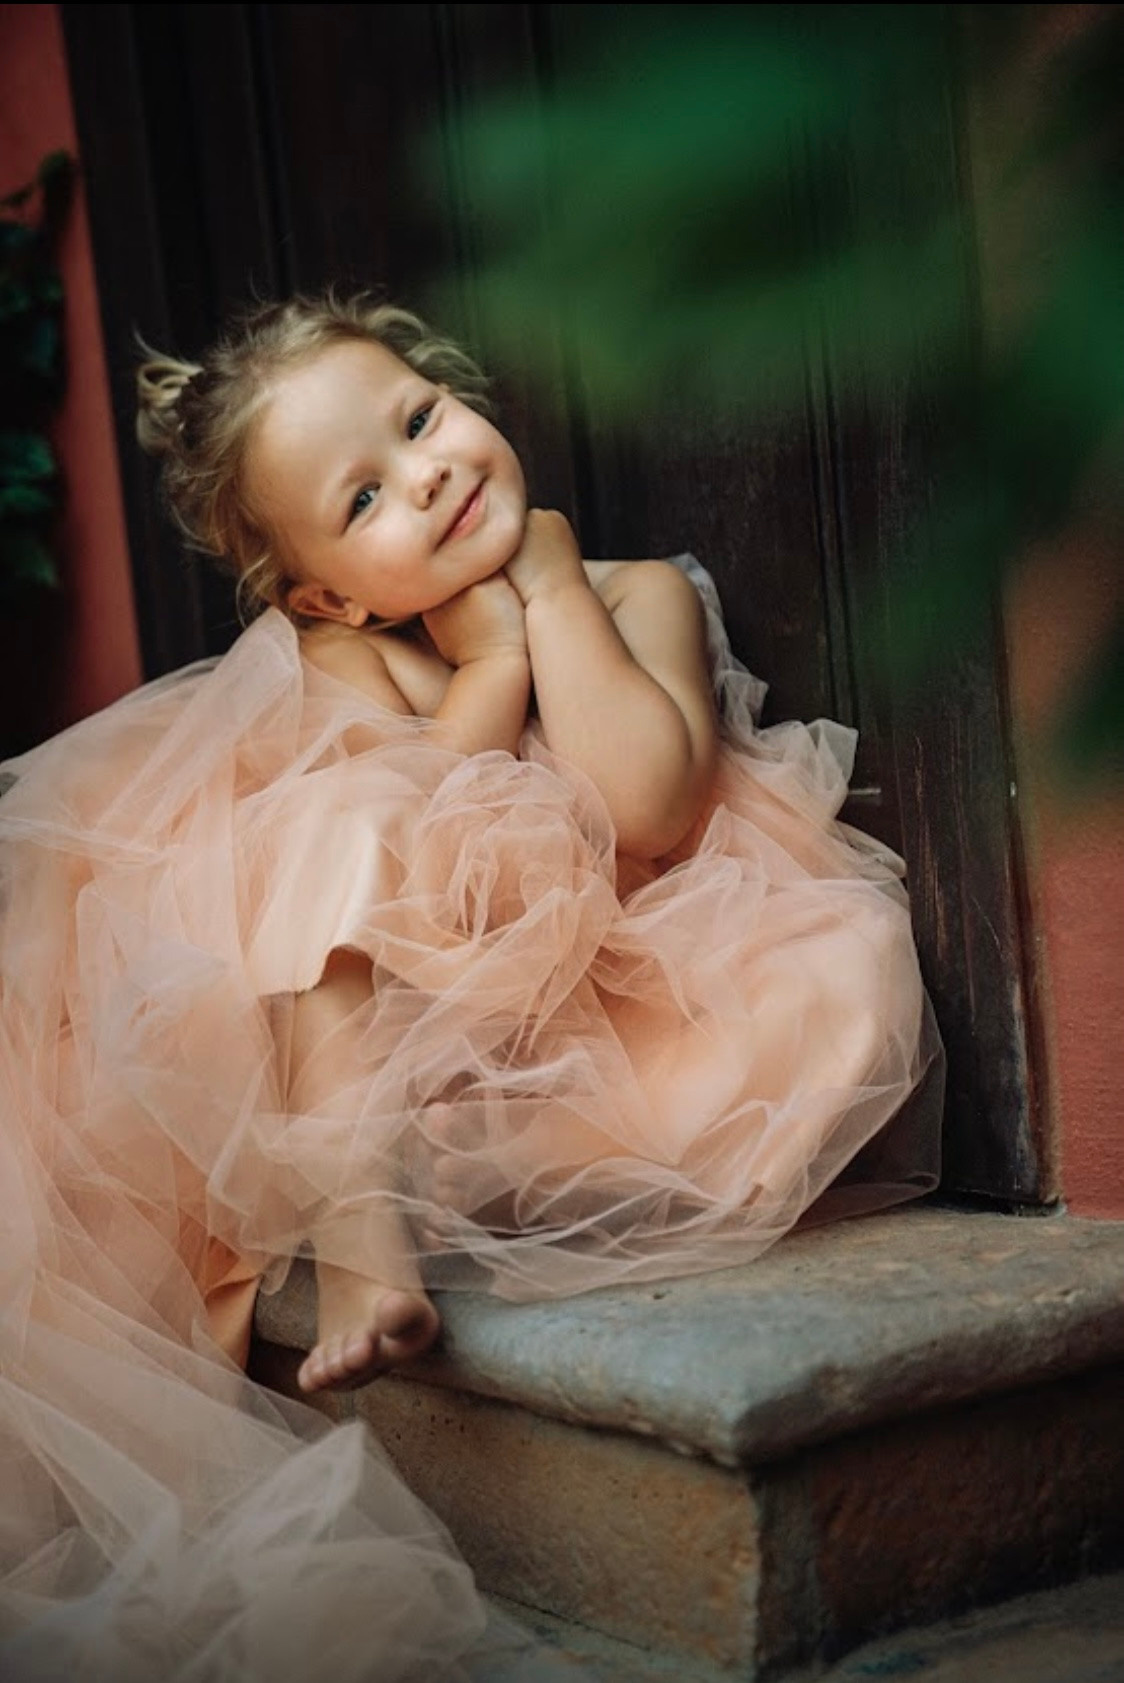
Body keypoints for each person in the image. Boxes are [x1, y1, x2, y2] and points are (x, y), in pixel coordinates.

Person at [0, 291, 941, 1679]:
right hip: (423, 1052)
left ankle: (387, 1202)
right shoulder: (348, 655)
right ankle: (359, 1238)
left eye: (421, 419)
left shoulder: (634, 594)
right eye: (365, 496)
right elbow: (411, 856)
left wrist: (550, 601)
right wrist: (490, 667)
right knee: (331, 827)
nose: (428, 474)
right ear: (327, 593)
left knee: (825, 995)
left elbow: (649, 810)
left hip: (629, 1017)